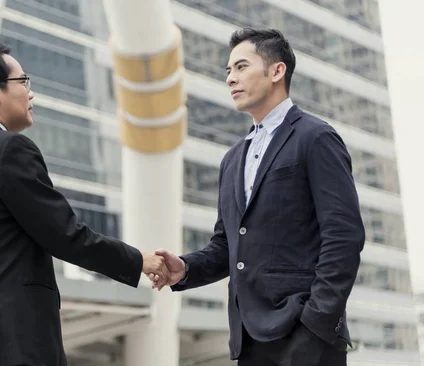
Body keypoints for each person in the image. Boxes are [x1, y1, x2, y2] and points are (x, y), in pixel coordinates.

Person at [0, 41, 169, 366]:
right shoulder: (8, 150)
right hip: (10, 343)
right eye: (23, 82)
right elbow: (65, 234)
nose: (31, 93)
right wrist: (139, 260)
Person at [150, 28, 365, 366]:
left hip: (306, 334)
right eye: (228, 71)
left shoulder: (316, 137)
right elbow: (228, 245)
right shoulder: (233, 159)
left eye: (240, 67)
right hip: (249, 340)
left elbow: (344, 237)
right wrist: (186, 269)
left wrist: (316, 326)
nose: (230, 79)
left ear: (277, 71)